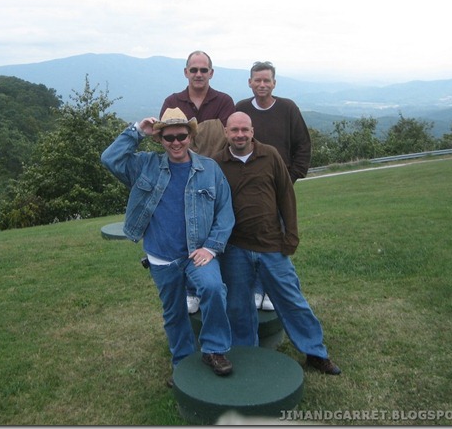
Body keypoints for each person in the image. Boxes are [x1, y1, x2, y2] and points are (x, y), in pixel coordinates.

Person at [101, 107, 236, 386]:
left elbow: (225, 212)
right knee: (174, 313)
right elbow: (110, 158)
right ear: (160, 139)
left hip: (198, 254)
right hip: (161, 256)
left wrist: (211, 248)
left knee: (213, 289)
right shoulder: (145, 165)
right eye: (169, 137)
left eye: (181, 136)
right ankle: (182, 364)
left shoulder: (209, 169)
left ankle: (214, 349)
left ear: (190, 136)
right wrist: (137, 131)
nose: (176, 142)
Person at [213, 112, 341, 375]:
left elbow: (286, 196)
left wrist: (291, 235)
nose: (240, 135)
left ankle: (315, 353)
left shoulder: (270, 156)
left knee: (292, 300)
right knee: (238, 306)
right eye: (234, 130)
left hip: (271, 245)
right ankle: (248, 355)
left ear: (252, 131)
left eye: (244, 130)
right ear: (226, 132)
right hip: (234, 248)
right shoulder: (217, 163)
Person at [161, 50, 236, 314]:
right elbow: (169, 140)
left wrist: (192, 141)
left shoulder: (224, 101)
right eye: (194, 69)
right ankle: (191, 289)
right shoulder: (172, 101)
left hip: (216, 177)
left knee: (217, 229)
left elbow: (228, 138)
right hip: (181, 178)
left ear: (211, 73)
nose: (199, 74)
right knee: (186, 232)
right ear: (186, 72)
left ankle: (217, 283)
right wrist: (203, 134)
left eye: (204, 70)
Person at [235, 61, 312, 311]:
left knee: (277, 237)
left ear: (274, 83)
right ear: (250, 82)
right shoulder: (242, 108)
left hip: (280, 186)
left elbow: (303, 145)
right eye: (257, 80)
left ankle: (272, 289)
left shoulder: (287, 108)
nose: (262, 84)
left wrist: (290, 177)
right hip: (248, 188)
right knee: (252, 237)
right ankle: (257, 287)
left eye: (266, 80)